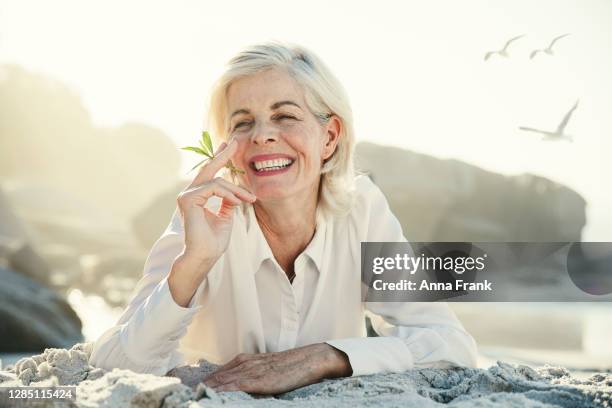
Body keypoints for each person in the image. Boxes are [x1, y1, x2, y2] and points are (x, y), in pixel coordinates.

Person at [89, 42, 478, 394]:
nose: (262, 135)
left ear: (329, 137)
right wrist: (194, 263)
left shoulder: (363, 209)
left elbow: (451, 344)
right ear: (226, 146)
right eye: (242, 123)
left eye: (285, 116)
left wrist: (327, 356)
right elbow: (114, 366)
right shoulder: (206, 215)